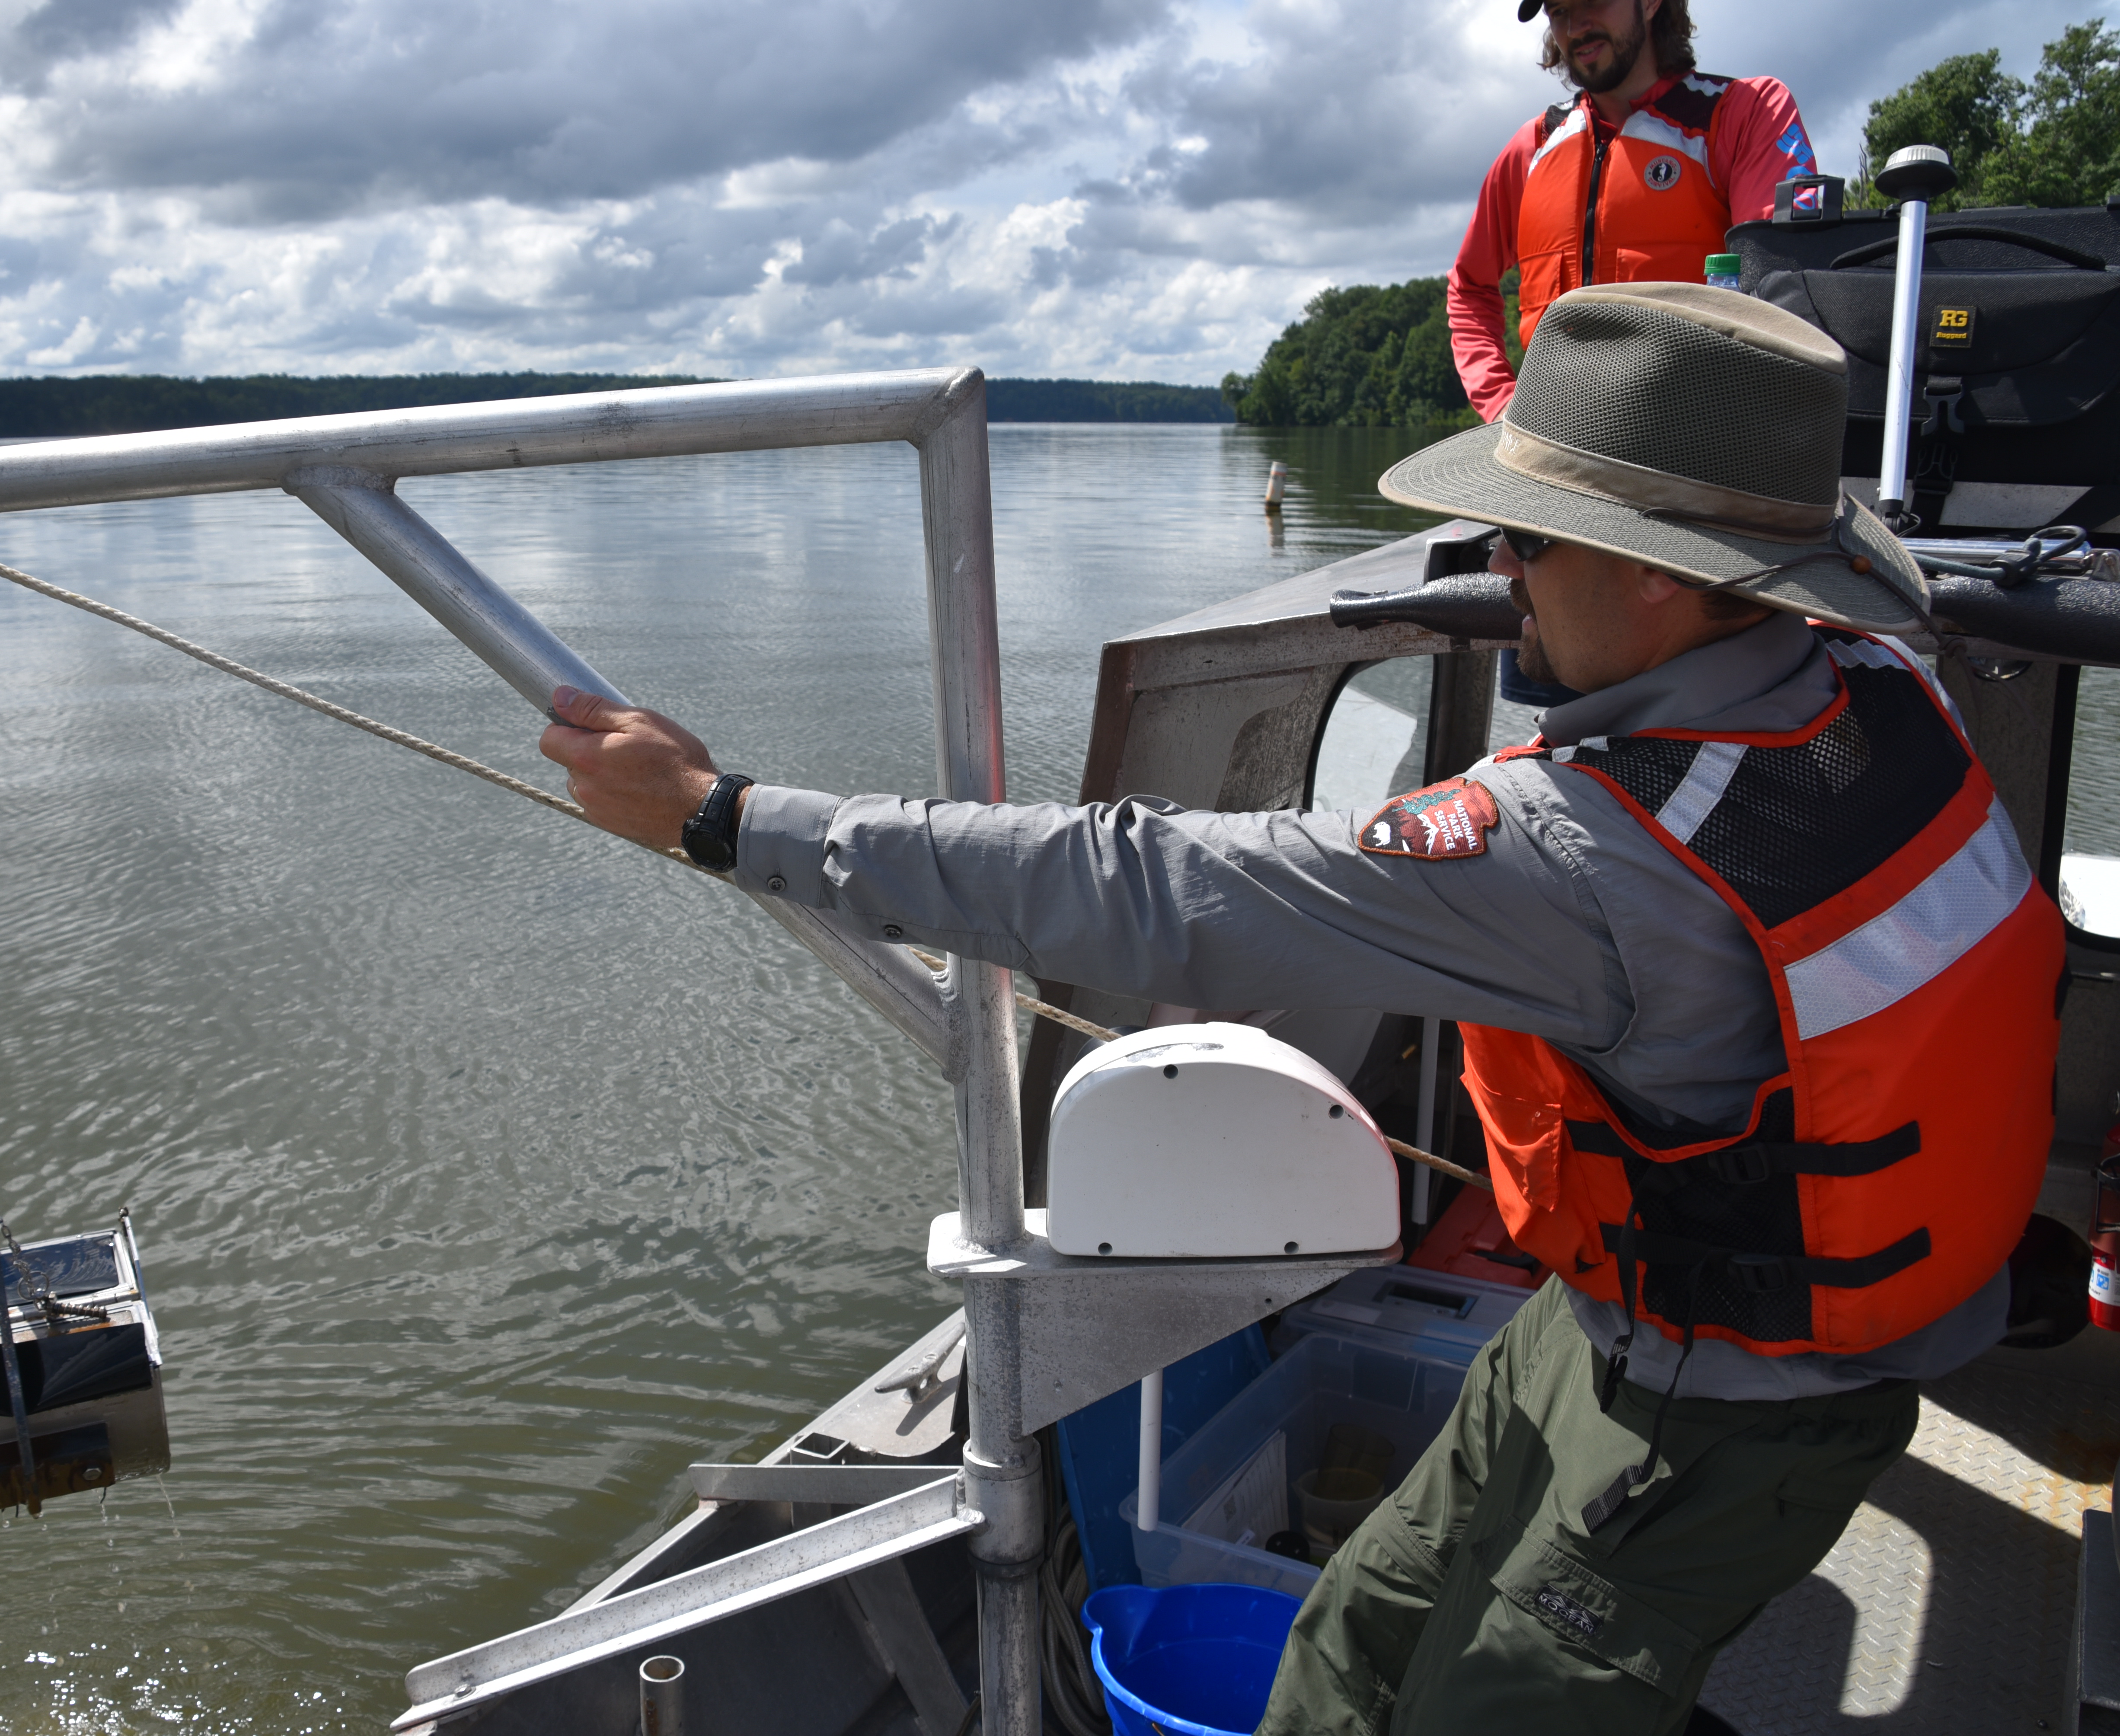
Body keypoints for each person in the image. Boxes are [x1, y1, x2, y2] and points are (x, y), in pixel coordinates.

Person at [538, 284, 2064, 1732]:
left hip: (1722, 1412)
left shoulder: (1585, 854)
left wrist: (728, 815)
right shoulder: (1869, 687)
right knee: (1352, 1633)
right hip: (1634, 1321)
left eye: (1530, 536)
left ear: (1663, 574)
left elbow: (1139, 883)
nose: (1497, 564)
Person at [1449, 0, 1821, 422]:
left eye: (1594, 1)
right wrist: (1500, 403)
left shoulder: (1744, 113)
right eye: (1558, 10)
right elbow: (1468, 287)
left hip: (1694, 456)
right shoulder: (1531, 148)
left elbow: (1786, 288)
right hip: (1547, 458)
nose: (1576, 27)